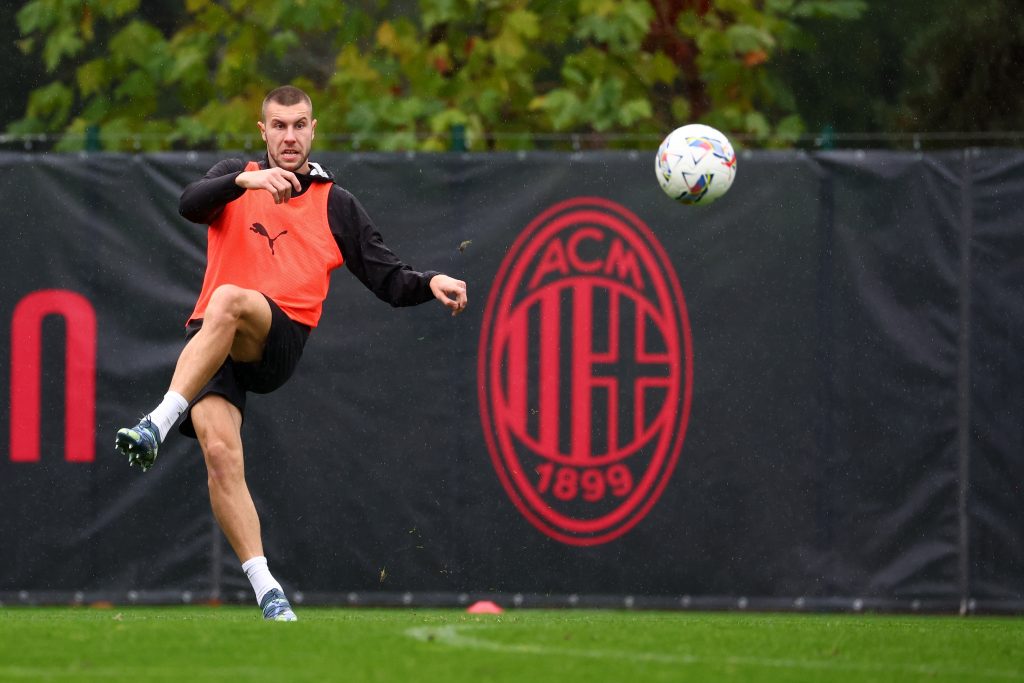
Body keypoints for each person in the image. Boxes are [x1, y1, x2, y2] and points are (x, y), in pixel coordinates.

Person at [114, 85, 468, 622]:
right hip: (214, 340)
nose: (289, 136)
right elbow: (188, 203)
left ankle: (157, 425)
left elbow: (389, 279)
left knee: (230, 298)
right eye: (278, 126)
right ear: (263, 132)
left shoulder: (335, 202)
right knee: (219, 453)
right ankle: (267, 590)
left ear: (313, 130)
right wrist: (242, 179)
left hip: (277, 337)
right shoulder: (238, 177)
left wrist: (431, 279)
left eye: (299, 125)